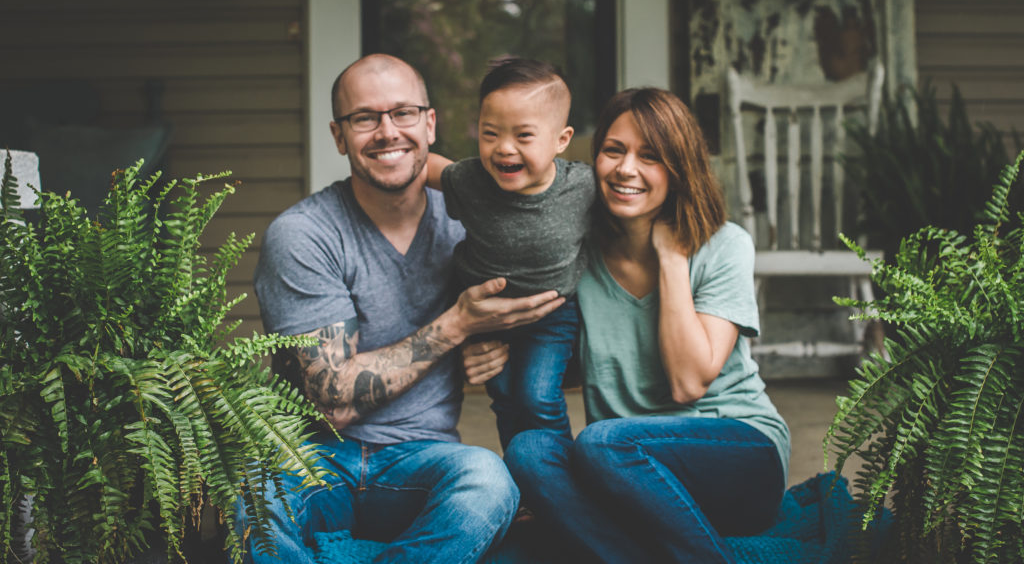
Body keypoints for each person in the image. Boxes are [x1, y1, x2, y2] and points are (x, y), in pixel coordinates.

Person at [235, 53, 565, 564]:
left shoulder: (469, 225)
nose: (387, 132)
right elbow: (333, 402)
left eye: (404, 113)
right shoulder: (304, 235)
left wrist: (494, 347)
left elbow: (541, 308)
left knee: (488, 481)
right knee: (257, 493)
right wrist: (458, 326)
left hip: (425, 458)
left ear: (429, 124)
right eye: (364, 118)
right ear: (339, 136)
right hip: (314, 455)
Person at [501, 88, 791, 563]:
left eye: (650, 157)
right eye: (614, 151)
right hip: (625, 472)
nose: (626, 169)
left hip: (740, 457)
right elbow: (578, 367)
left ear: (680, 170)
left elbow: (687, 383)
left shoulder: (723, 245)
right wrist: (492, 350)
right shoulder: (579, 254)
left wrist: (672, 258)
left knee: (603, 440)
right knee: (530, 449)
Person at [426, 57, 595, 450]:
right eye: (490, 134)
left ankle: (557, 475)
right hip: (487, 316)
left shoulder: (583, 187)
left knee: (536, 396)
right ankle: (523, 478)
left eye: (523, 136)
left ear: (561, 140)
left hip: (551, 315)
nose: (504, 149)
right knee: (504, 396)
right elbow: (428, 168)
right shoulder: (470, 181)